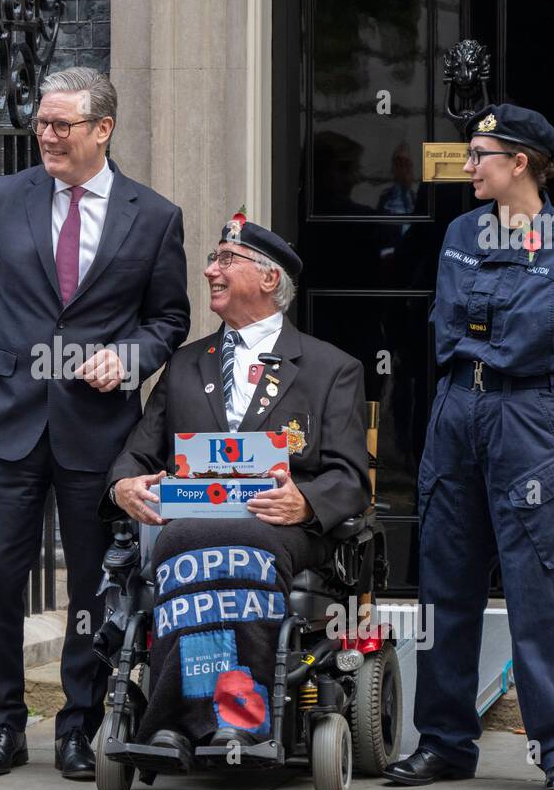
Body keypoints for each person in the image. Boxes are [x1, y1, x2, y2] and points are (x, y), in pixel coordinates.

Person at [0, 68, 191, 778]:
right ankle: (3, 726)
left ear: (101, 130)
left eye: (60, 125)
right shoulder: (4, 197)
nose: (45, 135)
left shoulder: (155, 215)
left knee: (91, 585)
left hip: (97, 428)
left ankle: (79, 727)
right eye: (42, 124)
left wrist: (130, 357)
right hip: (4, 418)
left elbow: (170, 318)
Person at [382, 104, 554, 790]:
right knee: (445, 585)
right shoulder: (458, 232)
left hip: (528, 413)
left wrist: (546, 425)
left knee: (540, 592)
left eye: (481, 152)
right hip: (457, 411)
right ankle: (445, 743)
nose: (469, 163)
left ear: (520, 162)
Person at [101, 216, 370, 751]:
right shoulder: (184, 365)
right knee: (183, 540)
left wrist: (305, 501)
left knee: (232, 544)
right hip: (195, 518)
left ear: (269, 279)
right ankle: (182, 720)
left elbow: (350, 477)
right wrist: (124, 486)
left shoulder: (329, 368)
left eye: (226, 259)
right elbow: (137, 452)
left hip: (279, 525)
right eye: (213, 260)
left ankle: (234, 716)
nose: (209, 271)